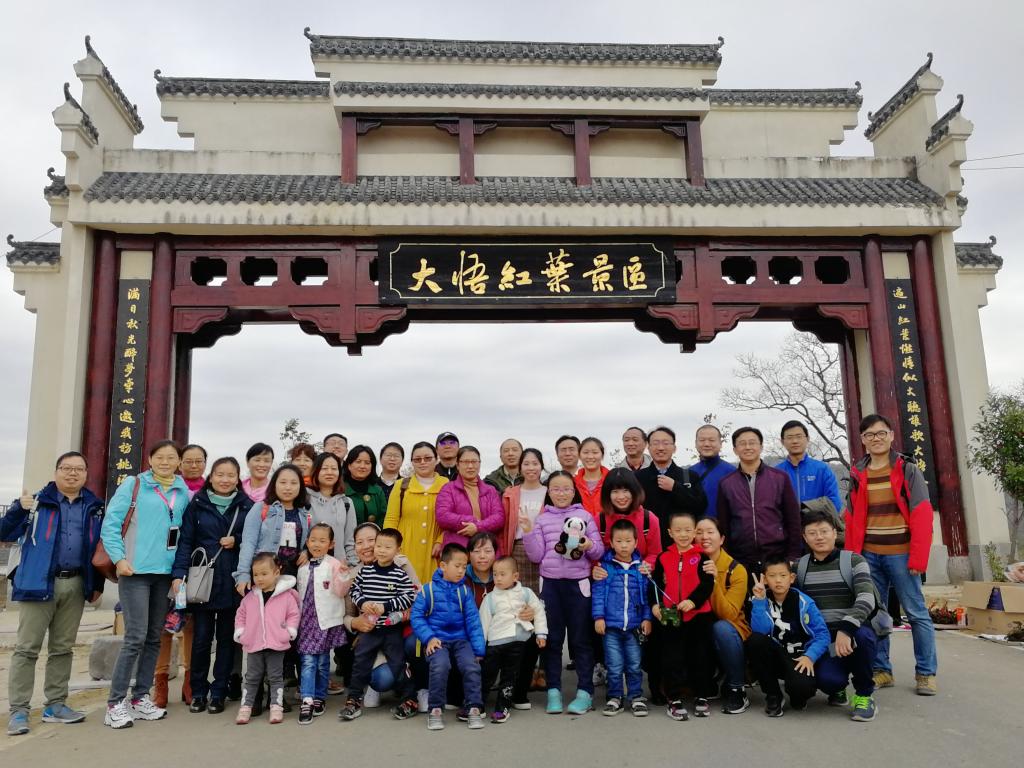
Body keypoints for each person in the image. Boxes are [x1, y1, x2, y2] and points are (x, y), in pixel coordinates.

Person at [2, 451, 104, 736]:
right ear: (56, 471)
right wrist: (18, 509)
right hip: (37, 583)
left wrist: (96, 584)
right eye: (66, 468)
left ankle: (56, 705)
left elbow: (98, 547)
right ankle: (19, 710)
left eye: (79, 469)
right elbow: (4, 533)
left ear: (86, 474)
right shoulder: (36, 502)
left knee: (62, 648)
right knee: (26, 649)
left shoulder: (94, 507)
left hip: (75, 584)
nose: (72, 473)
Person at [845, 413, 938, 696]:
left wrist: (918, 558)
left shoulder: (908, 469)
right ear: (862, 440)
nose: (876, 438)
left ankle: (926, 674)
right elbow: (851, 518)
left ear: (891, 435)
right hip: (869, 555)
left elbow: (922, 513)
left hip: (901, 554)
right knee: (876, 614)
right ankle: (882, 670)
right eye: (869, 435)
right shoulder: (858, 473)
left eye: (881, 433)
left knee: (917, 613)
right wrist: (852, 557)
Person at [102, 440, 190, 730]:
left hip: (164, 574)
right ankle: (115, 703)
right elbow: (111, 525)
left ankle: (140, 697)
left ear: (178, 462)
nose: (165, 462)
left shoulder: (182, 491)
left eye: (171, 457)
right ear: (150, 459)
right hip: (135, 571)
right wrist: (119, 559)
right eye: (159, 457)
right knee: (135, 637)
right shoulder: (134, 485)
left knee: (154, 637)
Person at [170, 457, 253, 715]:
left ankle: (219, 692)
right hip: (202, 581)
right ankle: (198, 692)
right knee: (201, 640)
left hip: (232, 581)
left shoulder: (247, 506)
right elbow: (185, 541)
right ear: (211, 476)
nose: (225, 480)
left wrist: (236, 540)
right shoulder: (197, 504)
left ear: (238, 478)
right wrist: (179, 574)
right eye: (220, 474)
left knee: (227, 640)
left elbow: (254, 539)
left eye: (230, 475)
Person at [521, 471, 604, 715]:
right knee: (552, 640)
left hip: (579, 585)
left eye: (566, 488)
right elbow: (536, 555)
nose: (561, 493)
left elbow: (598, 551)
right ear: (548, 492)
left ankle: (585, 692)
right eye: (556, 489)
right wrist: (528, 531)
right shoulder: (542, 519)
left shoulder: (585, 516)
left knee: (581, 640)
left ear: (574, 491)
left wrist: (588, 545)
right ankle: (554, 691)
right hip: (551, 586)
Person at [797, 509, 879, 721]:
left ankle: (864, 695)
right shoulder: (800, 567)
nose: (819, 537)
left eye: (824, 531)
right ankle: (837, 686)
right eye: (812, 533)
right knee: (828, 680)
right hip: (825, 640)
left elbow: (867, 597)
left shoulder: (854, 561)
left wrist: (846, 628)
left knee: (863, 637)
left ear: (835, 533)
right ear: (804, 537)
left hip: (853, 634)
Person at [340, 522, 423, 710]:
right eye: (360, 542)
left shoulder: (400, 572)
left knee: (398, 662)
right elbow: (354, 592)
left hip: (393, 629)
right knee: (360, 660)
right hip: (370, 630)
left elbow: (411, 596)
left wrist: (386, 607)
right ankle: (354, 698)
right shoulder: (362, 572)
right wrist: (363, 605)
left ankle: (411, 697)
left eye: (371, 540)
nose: (372, 547)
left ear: (396, 549)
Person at [411, 543, 488, 731]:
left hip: (461, 641)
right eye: (457, 566)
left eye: (464, 566)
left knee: (471, 666)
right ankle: (435, 710)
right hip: (437, 640)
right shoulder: (428, 590)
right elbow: (417, 617)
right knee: (440, 666)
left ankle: (473, 708)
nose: (461, 571)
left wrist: (478, 650)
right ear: (443, 566)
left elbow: (473, 621)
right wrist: (429, 638)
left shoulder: (465, 592)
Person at [649, 509, 715, 721]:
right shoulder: (663, 557)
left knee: (699, 656)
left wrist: (693, 601)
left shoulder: (702, 557)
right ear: (670, 532)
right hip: (671, 615)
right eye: (678, 530)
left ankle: (701, 695)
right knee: (672, 657)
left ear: (695, 532)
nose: (683, 534)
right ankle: (674, 698)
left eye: (688, 530)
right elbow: (655, 584)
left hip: (698, 615)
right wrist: (656, 605)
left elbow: (707, 584)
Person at [745, 557, 829, 717]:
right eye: (772, 576)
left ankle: (798, 695)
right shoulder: (761, 600)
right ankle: (773, 695)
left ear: (791, 578)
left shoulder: (805, 603)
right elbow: (760, 631)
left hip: (800, 657)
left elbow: (822, 635)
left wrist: (810, 656)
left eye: (783, 575)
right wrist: (760, 601)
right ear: (765, 579)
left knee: (801, 689)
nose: (778, 580)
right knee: (755, 640)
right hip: (777, 655)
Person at [717, 427, 802, 575]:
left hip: (777, 556)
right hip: (741, 558)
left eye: (752, 442)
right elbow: (724, 525)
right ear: (735, 450)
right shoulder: (726, 483)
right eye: (742, 443)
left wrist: (793, 555)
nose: (748, 447)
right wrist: (727, 558)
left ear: (761, 447)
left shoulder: (779, 478)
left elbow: (793, 519)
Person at [498, 447, 548, 698]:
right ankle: (517, 673)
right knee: (518, 609)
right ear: (519, 467)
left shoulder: (549, 492)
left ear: (541, 466)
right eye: (526, 463)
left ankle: (539, 670)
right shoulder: (510, 493)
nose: (530, 468)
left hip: (544, 553)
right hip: (517, 550)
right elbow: (503, 525)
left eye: (535, 463)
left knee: (540, 611)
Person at [592, 520, 653, 717]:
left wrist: (647, 618)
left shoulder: (641, 569)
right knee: (614, 665)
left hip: (634, 627)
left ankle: (636, 697)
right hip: (611, 627)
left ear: (636, 542)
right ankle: (615, 697)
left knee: (634, 664)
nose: (624, 545)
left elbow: (646, 597)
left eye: (628, 541)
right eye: (619, 541)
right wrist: (598, 617)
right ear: (611, 542)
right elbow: (598, 594)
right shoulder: (605, 567)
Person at [478, 556, 547, 723]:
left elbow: (539, 611)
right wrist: (479, 649)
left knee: (509, 677)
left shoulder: (525, 593)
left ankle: (503, 707)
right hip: (495, 643)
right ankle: (477, 704)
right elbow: (483, 624)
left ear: (515, 576)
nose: (498, 578)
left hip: (517, 643)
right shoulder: (490, 598)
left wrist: (541, 634)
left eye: (503, 574)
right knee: (487, 675)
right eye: (495, 574)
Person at [233, 553, 300, 725]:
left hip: (277, 644)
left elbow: (293, 614)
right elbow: (240, 615)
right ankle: (246, 707)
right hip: (254, 643)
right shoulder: (250, 597)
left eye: (264, 574)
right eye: (256, 574)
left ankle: (276, 706)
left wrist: (289, 631)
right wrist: (241, 633)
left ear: (276, 572)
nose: (259, 578)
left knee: (276, 677)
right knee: (252, 677)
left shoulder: (286, 596)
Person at [295, 523, 351, 724]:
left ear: (331, 544)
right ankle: (307, 699)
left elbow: (340, 591)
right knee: (308, 661)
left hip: (325, 620)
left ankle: (320, 696)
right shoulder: (302, 565)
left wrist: (343, 575)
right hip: (306, 621)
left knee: (322, 661)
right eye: (313, 540)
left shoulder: (333, 564)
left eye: (322, 541)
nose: (317, 544)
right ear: (307, 542)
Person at [695, 516, 751, 715]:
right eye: (699, 532)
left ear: (722, 539)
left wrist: (713, 581)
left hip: (729, 629)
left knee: (721, 628)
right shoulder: (689, 562)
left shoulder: (736, 570)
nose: (704, 537)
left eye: (710, 532)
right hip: (699, 626)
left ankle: (737, 688)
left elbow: (728, 614)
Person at [234, 464, 312, 591]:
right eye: (283, 482)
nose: (288, 487)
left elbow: (306, 543)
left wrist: (306, 552)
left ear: (300, 487)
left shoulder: (303, 513)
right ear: (274, 484)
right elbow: (248, 543)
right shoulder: (261, 508)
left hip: (292, 577)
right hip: (265, 576)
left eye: (293, 483)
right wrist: (243, 574)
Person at [383, 441, 448, 583]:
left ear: (436, 459)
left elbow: (452, 520)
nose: (422, 462)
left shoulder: (447, 485)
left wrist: (441, 540)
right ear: (412, 462)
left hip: (435, 553)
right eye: (417, 459)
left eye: (428, 458)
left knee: (433, 592)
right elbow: (391, 520)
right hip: (405, 551)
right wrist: (391, 548)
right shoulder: (401, 485)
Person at [635, 426, 707, 550]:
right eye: (655, 443)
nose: (661, 448)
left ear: (674, 448)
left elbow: (700, 506)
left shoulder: (689, 476)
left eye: (666, 443)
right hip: (648, 545)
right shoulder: (637, 478)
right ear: (648, 447)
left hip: (682, 544)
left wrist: (676, 487)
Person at [435, 446, 504, 549]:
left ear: (479, 464)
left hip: (486, 548)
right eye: (466, 462)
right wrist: (471, 521)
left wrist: (478, 527)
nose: (470, 466)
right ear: (457, 465)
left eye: (474, 462)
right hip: (457, 549)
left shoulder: (490, 490)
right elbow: (443, 516)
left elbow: (499, 517)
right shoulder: (448, 489)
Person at [594, 467, 661, 569]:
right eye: (615, 491)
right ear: (607, 494)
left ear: (634, 491)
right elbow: (594, 554)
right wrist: (597, 568)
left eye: (626, 490)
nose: (621, 497)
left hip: (639, 575)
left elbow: (655, 553)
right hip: (609, 576)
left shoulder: (649, 519)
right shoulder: (600, 520)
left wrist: (647, 565)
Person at [776, 420, 843, 515]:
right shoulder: (775, 473)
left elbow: (834, 503)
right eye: (790, 437)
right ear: (782, 441)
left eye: (799, 436)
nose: (795, 441)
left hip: (817, 523)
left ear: (807, 439)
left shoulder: (822, 469)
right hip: (787, 524)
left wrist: (807, 513)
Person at [307, 452, 357, 565]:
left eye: (334, 469)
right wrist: (303, 552)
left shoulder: (346, 503)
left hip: (338, 566)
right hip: (309, 566)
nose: (329, 472)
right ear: (316, 471)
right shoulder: (305, 499)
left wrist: (352, 564)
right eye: (324, 468)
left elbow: (350, 540)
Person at [689, 425, 736, 518]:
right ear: (695, 443)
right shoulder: (687, 473)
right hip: (694, 526)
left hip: (722, 526)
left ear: (720, 443)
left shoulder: (732, 473)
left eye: (712, 440)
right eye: (702, 440)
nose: (706, 444)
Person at [343, 446, 388, 526]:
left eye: (367, 463)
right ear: (349, 465)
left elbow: (384, 517)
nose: (362, 466)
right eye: (358, 462)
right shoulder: (339, 489)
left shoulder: (377, 490)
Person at [574, 436, 609, 518]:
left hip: (607, 525)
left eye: (595, 452)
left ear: (602, 455)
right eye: (585, 452)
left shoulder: (612, 480)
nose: (590, 456)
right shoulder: (573, 483)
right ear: (579, 456)